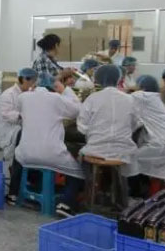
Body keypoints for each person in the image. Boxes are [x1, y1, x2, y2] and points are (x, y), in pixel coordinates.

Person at [15, 72, 84, 217]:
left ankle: (35, 188)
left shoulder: (23, 97)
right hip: (50, 155)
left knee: (34, 162)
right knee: (79, 171)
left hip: (24, 154)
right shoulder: (56, 98)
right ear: (54, 85)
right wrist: (65, 90)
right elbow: (77, 110)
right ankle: (66, 203)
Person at [78, 64, 137, 210]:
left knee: (80, 154)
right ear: (119, 79)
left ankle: (91, 195)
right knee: (119, 168)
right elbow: (135, 124)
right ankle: (121, 201)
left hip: (96, 150)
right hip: (122, 152)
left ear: (98, 79)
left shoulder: (92, 99)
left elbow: (82, 127)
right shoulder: (129, 99)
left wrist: (95, 131)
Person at [0, 68, 38, 205]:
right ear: (24, 80)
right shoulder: (8, 95)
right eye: (32, 82)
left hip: (21, 129)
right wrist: (24, 115)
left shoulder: (29, 93)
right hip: (9, 132)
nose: (33, 85)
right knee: (21, 148)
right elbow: (7, 115)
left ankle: (31, 182)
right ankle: (13, 192)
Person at [128, 75, 165, 197]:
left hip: (157, 145)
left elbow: (119, 100)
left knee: (128, 161)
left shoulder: (142, 96)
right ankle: (147, 190)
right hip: (160, 143)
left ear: (142, 87)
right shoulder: (158, 98)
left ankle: (134, 195)